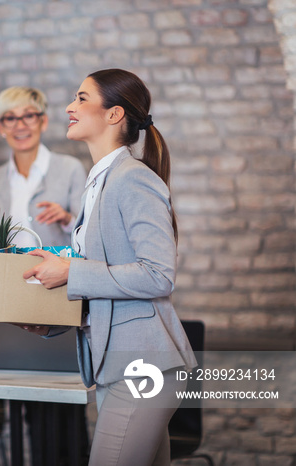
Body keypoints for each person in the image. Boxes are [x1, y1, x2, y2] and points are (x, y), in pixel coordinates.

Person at [21, 69, 197, 465]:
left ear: (114, 114)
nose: (70, 107)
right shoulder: (99, 180)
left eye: (82, 98)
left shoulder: (131, 179)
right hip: (119, 363)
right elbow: (107, 282)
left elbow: (158, 274)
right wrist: (53, 321)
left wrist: (70, 273)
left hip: (143, 364)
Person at [0, 86, 86, 248]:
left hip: (59, 273)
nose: (20, 126)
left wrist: (67, 219)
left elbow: (89, 236)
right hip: (11, 274)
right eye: (10, 118)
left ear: (43, 122)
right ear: (1, 127)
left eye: (29, 116)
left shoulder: (70, 169)